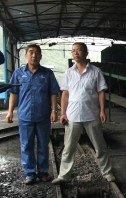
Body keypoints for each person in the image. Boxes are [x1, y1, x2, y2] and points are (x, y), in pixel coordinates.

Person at [52, 42, 115, 184]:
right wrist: (62, 113)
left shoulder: (96, 72)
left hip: (91, 114)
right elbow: (65, 94)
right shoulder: (69, 72)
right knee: (68, 147)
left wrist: (102, 110)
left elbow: (101, 92)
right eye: (73, 50)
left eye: (79, 50)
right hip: (72, 115)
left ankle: (107, 173)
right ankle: (64, 175)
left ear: (86, 53)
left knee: (100, 145)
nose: (76, 53)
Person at [5, 44, 60, 184]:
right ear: (26, 55)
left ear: (41, 56)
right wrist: (10, 111)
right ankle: (30, 174)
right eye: (31, 52)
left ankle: (42, 172)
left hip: (43, 116)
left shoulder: (47, 73)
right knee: (26, 145)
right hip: (25, 116)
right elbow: (13, 93)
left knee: (43, 144)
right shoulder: (18, 73)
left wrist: (54, 111)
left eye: (37, 53)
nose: (34, 55)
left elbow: (53, 93)